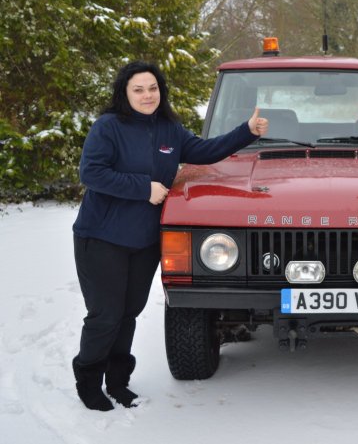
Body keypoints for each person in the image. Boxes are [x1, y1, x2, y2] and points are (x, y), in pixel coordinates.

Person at [71, 61, 268, 411]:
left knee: (129, 313)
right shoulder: (108, 127)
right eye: (138, 89)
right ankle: (88, 381)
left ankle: (117, 381)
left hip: (144, 241)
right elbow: (92, 173)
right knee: (105, 315)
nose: (147, 95)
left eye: (153, 89)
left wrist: (247, 131)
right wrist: (143, 188)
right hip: (101, 238)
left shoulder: (168, 129)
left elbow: (205, 152)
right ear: (124, 93)